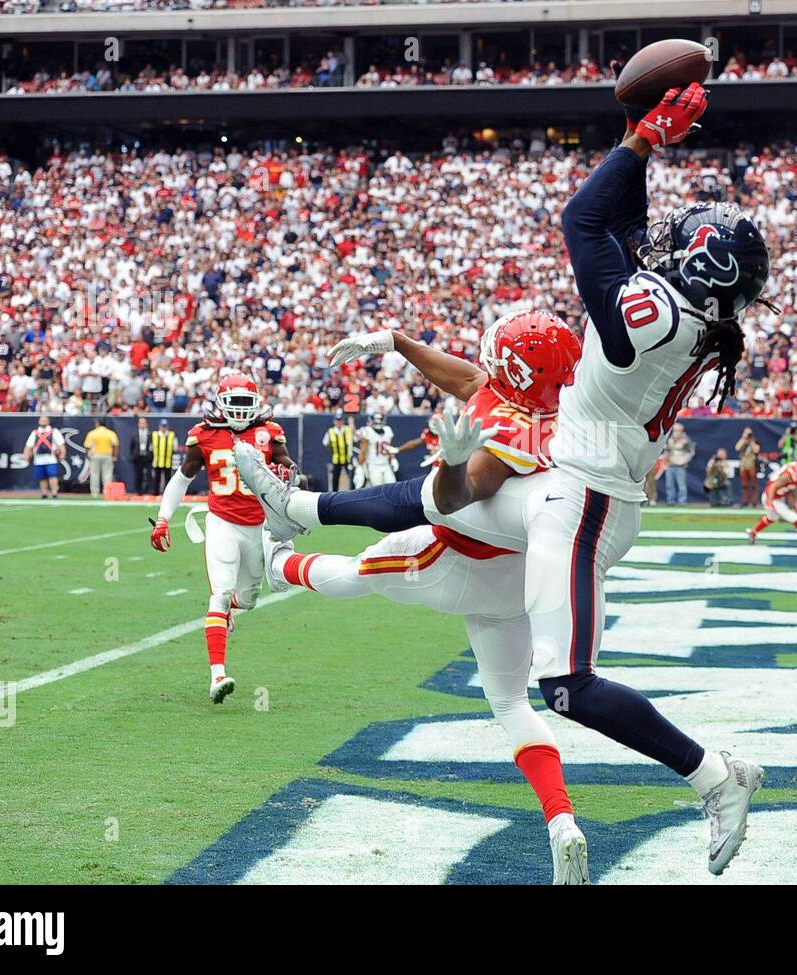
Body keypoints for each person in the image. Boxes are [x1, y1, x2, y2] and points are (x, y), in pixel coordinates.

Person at [241, 83, 768, 877]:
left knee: (565, 684)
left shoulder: (648, 320)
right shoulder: (695, 319)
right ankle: (299, 509)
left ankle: (716, 776)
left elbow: (585, 222)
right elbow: (621, 226)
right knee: (453, 501)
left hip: (582, 501)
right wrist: (637, 135)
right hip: (576, 489)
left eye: (679, 242)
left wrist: (644, 141)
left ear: (693, 268)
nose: (661, 244)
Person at [247, 311, 591, 884]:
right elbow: (469, 381)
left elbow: (451, 498)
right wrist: (397, 342)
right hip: (522, 580)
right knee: (510, 703)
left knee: (359, 572)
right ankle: (561, 820)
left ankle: (279, 563)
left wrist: (454, 461)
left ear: (515, 368)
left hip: (457, 560)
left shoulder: (506, 436)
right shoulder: (561, 413)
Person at [148, 374, 295, 704]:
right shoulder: (204, 435)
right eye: (236, 402)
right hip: (222, 522)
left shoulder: (269, 432)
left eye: (247, 403)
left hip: (259, 525)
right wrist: (162, 518)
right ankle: (218, 674)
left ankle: (229, 609)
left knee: (247, 599)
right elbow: (181, 479)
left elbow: (285, 461)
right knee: (221, 591)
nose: (241, 411)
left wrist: (287, 468)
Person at [747, 449, 797, 546]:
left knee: (772, 517)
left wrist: (795, 504)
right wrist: (769, 502)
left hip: (778, 497)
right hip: (771, 496)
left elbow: (794, 488)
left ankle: (753, 532)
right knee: (794, 519)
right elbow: (773, 486)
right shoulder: (790, 473)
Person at [23, 415, 66, 499]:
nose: (43, 422)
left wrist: (63, 453)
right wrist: (26, 454)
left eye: (45, 420)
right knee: (41, 477)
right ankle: (44, 493)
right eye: (41, 420)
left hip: (51, 458)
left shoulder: (54, 431)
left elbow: (61, 444)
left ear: (48, 421)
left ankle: (54, 493)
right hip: (38, 459)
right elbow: (28, 445)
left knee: (52, 476)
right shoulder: (35, 432)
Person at [83, 418, 119, 498]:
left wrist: (87, 455)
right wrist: (115, 456)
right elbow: (115, 445)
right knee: (107, 475)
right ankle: (107, 493)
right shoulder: (110, 433)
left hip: (95, 455)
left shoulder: (92, 433)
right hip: (107, 455)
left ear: (97, 424)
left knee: (94, 474)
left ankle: (94, 493)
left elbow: (87, 446)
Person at [358, 412, 397, 487]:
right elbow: (363, 450)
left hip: (386, 464)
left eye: (379, 420)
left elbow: (389, 447)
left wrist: (393, 459)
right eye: (376, 420)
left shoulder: (387, 430)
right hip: (373, 465)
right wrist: (360, 466)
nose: (378, 422)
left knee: (392, 487)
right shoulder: (367, 431)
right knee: (377, 489)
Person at [663, 423, 694, 505]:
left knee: (681, 485)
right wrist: (666, 461)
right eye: (675, 430)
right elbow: (665, 452)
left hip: (680, 466)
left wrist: (683, 461)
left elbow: (691, 452)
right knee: (669, 484)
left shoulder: (686, 440)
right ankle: (670, 500)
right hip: (670, 465)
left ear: (682, 431)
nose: (677, 432)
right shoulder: (670, 440)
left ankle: (682, 501)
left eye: (678, 430)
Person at [323, 411, 353, 491]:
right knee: (335, 479)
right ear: (334, 421)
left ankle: (353, 493)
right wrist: (333, 450)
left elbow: (355, 440)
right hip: (337, 458)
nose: (339, 422)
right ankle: (334, 495)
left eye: (340, 420)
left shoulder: (348, 429)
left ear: (343, 421)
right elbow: (325, 443)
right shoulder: (331, 431)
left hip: (348, 458)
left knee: (352, 478)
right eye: (337, 420)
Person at [735, 427, 760, 506]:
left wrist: (751, 441)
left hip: (751, 464)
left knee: (754, 484)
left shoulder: (754, 441)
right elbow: (737, 448)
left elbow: (756, 450)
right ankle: (745, 501)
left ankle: (754, 502)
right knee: (744, 484)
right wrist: (744, 438)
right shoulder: (742, 441)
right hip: (743, 465)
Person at [151, 419, 177, 495]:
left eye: (165, 426)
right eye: (162, 426)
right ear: (159, 426)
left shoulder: (172, 435)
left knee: (168, 479)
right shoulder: (155, 435)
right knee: (156, 479)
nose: (163, 428)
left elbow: (175, 447)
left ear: (167, 427)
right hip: (157, 460)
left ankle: (167, 493)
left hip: (167, 461)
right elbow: (151, 447)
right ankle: (155, 493)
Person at [130, 416, 154, 495]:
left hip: (147, 457)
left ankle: (149, 490)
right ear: (138, 424)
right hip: (138, 456)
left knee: (149, 474)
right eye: (141, 423)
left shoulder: (150, 434)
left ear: (146, 424)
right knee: (138, 474)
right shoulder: (134, 434)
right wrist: (133, 455)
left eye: (144, 423)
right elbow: (131, 446)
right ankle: (138, 491)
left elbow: (153, 445)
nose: (142, 425)